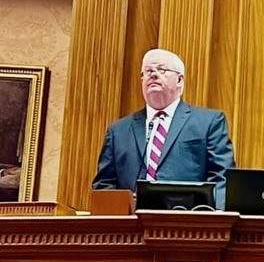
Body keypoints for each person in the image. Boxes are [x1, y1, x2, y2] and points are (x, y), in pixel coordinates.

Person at [92, 48, 235, 209]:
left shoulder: (209, 122)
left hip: (188, 220)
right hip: (132, 222)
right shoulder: (118, 131)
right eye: (147, 71)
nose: (153, 75)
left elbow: (222, 177)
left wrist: (212, 217)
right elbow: (104, 185)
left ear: (179, 80)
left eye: (161, 69)